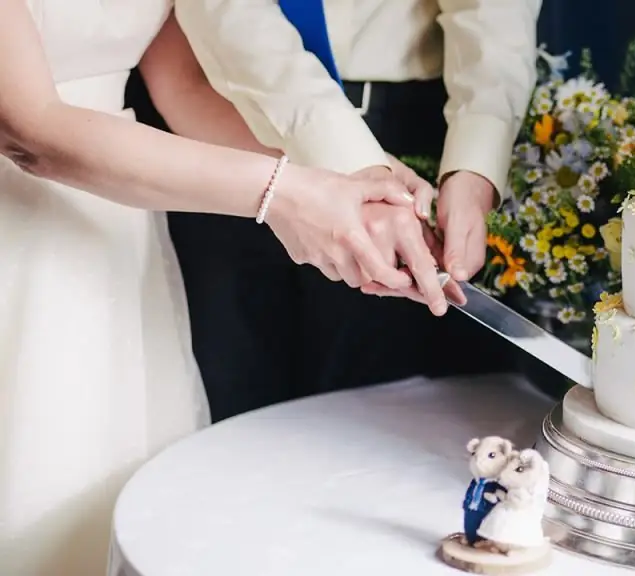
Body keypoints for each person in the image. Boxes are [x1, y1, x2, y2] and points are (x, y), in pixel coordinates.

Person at [0, 3, 448, 574]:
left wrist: (347, 185)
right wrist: (284, 197)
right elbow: (30, 129)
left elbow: (183, 86)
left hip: (112, 239)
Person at [171, 0, 543, 421]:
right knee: (234, 393)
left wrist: (475, 165)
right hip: (230, 123)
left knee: (385, 426)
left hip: (416, 129)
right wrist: (351, 162)